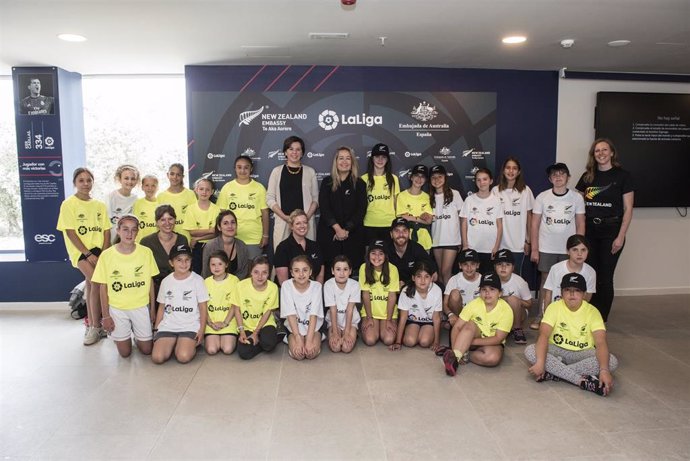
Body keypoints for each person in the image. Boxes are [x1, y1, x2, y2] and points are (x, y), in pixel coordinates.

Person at [525, 273, 618, 396]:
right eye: (567, 290)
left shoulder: (593, 312)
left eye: (577, 290)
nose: (572, 294)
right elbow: (543, 336)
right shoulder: (554, 307)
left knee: (611, 361)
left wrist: (604, 370)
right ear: (561, 293)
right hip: (556, 350)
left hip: (582, 352)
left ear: (584, 294)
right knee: (530, 350)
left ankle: (554, 373)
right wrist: (541, 362)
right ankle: (580, 380)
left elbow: (600, 342)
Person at [576, 138, 634, 322]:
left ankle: (601, 319)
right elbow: (578, 207)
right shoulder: (587, 177)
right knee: (590, 274)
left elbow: (628, 209)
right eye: (597, 151)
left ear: (611, 153)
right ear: (593, 155)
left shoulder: (622, 176)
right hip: (590, 231)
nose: (600, 153)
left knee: (605, 277)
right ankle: (588, 315)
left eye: (604, 150)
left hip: (612, 231)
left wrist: (621, 236)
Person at [56, 167, 110, 345]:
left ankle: (93, 325)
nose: (86, 184)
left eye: (89, 180)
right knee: (96, 283)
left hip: (98, 250)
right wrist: (86, 253)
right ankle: (95, 326)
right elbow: (70, 232)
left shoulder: (99, 205)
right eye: (81, 180)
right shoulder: (68, 204)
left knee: (91, 284)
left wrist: (103, 252)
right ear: (75, 183)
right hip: (80, 252)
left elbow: (106, 231)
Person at [92, 215, 158, 357]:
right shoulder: (106, 255)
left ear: (138, 232)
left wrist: (152, 309)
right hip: (117, 308)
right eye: (125, 229)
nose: (129, 234)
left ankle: (137, 334)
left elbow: (151, 283)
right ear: (118, 230)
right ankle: (122, 335)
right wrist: (106, 316)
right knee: (125, 353)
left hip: (140, 306)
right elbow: (103, 288)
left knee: (147, 350)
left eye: (133, 230)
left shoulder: (146, 252)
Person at [531, 162, 585, 327]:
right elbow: (534, 224)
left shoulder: (576, 198)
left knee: (569, 282)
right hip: (546, 247)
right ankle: (542, 316)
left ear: (568, 177)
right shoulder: (542, 197)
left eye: (562, 174)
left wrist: (578, 249)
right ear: (550, 178)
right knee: (546, 281)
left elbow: (581, 224)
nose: (558, 177)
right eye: (555, 175)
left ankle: (567, 317)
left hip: (568, 250)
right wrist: (534, 248)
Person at [442, 272, 513, 376]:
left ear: (500, 293)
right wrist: (454, 350)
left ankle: (465, 354)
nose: (487, 293)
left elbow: (498, 338)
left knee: (493, 358)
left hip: (491, 343)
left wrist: (470, 342)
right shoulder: (474, 304)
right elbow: (457, 327)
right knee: (469, 325)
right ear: (479, 292)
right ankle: (454, 358)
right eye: (484, 290)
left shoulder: (506, 310)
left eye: (492, 289)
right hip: (474, 335)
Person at [152, 244, 209, 364]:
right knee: (157, 358)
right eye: (179, 260)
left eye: (187, 260)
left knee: (183, 357)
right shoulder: (166, 281)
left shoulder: (198, 280)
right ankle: (173, 343)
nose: (184, 264)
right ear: (171, 263)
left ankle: (184, 344)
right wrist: (156, 329)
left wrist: (201, 331)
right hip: (169, 326)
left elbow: (203, 308)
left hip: (190, 326)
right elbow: (162, 307)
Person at [317, 146, 367, 273]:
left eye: (348, 158)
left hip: (353, 236)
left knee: (352, 272)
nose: (344, 162)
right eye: (341, 158)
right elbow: (324, 207)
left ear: (352, 162)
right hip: (330, 235)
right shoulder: (327, 182)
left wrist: (346, 230)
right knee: (330, 271)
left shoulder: (360, 184)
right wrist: (338, 229)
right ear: (336, 161)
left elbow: (361, 210)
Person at [531, 234, 597, 329]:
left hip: (576, 311)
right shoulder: (556, 269)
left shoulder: (590, 272)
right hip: (556, 311)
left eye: (583, 250)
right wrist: (547, 315)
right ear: (568, 251)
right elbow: (548, 293)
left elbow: (587, 297)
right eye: (575, 250)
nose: (579, 254)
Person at [266, 136, 319, 249]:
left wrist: (305, 218)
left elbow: (315, 199)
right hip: (283, 221)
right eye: (291, 149)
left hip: (305, 224)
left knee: (307, 257)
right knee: (282, 258)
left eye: (298, 149)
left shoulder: (310, 172)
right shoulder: (276, 172)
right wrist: (285, 217)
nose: (294, 152)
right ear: (285, 152)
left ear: (302, 152)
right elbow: (270, 198)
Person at [216, 155, 269, 260]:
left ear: (251, 169)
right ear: (235, 169)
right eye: (239, 167)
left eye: (246, 167)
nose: (242, 170)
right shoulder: (227, 187)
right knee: (233, 270)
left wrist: (265, 235)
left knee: (253, 271)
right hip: (231, 237)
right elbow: (221, 214)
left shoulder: (259, 188)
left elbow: (265, 213)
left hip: (254, 237)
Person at [492, 157, 534, 275]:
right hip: (499, 244)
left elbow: (529, 217)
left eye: (514, 168)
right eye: (508, 168)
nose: (511, 171)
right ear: (503, 170)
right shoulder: (495, 191)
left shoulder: (526, 191)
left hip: (518, 244)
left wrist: (528, 241)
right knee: (499, 278)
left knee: (515, 278)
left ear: (519, 172)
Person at [234, 256, 280, 360]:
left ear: (269, 273)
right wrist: (241, 332)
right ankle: (259, 341)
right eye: (256, 272)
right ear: (250, 272)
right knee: (244, 353)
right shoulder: (240, 286)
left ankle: (274, 335)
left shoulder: (273, 287)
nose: (260, 276)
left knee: (269, 345)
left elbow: (267, 312)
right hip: (246, 325)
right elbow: (236, 309)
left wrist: (255, 333)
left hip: (265, 323)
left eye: (264, 272)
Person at [390, 261, 442, 352]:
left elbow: (436, 318)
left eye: (426, 276)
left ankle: (427, 333)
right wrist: (398, 342)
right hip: (412, 321)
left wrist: (436, 341)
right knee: (409, 341)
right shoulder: (406, 291)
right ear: (413, 278)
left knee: (424, 342)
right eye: (419, 276)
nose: (422, 280)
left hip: (429, 322)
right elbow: (403, 317)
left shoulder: (437, 290)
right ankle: (411, 333)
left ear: (431, 278)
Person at [280, 256, 324, 360]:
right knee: (298, 355)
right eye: (296, 270)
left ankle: (316, 338)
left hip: (313, 328)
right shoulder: (286, 286)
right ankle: (291, 338)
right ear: (291, 273)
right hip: (294, 327)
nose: (301, 274)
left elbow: (313, 314)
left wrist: (308, 340)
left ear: (310, 272)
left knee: (310, 354)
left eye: (305, 270)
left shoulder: (316, 286)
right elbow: (290, 314)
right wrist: (298, 338)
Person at [460, 168, 503, 274]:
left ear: (491, 181)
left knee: (487, 279)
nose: (482, 182)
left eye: (485, 179)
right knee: (472, 279)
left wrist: (496, 247)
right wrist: (465, 245)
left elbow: (500, 226)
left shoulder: (497, 201)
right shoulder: (469, 200)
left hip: (490, 249)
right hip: (472, 248)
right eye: (478, 180)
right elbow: (464, 223)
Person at [140, 204, 189, 297]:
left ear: (175, 220)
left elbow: (187, 266)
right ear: (157, 223)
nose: (167, 223)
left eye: (170, 219)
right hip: (155, 291)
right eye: (162, 220)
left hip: (179, 290)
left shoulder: (182, 239)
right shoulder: (146, 242)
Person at [359, 240, 400, 346]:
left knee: (389, 340)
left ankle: (384, 324)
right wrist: (369, 317)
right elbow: (365, 294)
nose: (377, 257)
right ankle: (372, 324)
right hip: (371, 312)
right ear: (368, 255)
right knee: (370, 340)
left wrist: (389, 319)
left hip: (387, 313)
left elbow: (392, 296)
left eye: (381, 253)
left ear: (386, 256)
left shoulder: (393, 269)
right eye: (373, 253)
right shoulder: (364, 267)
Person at [429, 164, 463, 285]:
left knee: (445, 272)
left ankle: (449, 302)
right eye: (433, 177)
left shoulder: (455, 194)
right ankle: (444, 301)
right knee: (440, 273)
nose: (437, 180)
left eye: (440, 176)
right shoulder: (429, 197)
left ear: (445, 178)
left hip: (451, 240)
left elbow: (462, 218)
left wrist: (462, 240)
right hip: (436, 240)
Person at [361, 143, 400, 244]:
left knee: (388, 255)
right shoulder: (364, 179)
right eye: (377, 157)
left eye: (383, 157)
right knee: (370, 255)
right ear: (372, 158)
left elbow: (396, 203)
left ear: (387, 160)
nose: (380, 160)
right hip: (369, 223)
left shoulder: (393, 179)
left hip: (389, 224)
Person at [203, 250, 240, 356]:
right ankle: (213, 337)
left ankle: (230, 336)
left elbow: (234, 305)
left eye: (220, 264)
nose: (216, 267)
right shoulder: (206, 282)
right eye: (213, 264)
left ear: (226, 264)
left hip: (228, 321)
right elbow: (203, 306)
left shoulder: (234, 280)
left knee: (227, 349)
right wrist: (209, 323)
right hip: (211, 323)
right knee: (212, 350)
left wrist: (225, 323)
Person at [274, 209, 324, 285]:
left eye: (305, 222)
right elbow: (283, 282)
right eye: (298, 223)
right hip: (290, 293)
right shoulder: (282, 248)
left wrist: (316, 291)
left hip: (313, 292)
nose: (302, 226)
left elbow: (320, 275)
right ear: (291, 226)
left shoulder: (315, 246)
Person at [493, 249, 532, 345]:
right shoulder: (490, 279)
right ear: (495, 267)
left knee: (513, 299)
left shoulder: (520, 282)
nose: (503, 267)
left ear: (513, 267)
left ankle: (517, 329)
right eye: (500, 264)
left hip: (517, 313)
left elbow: (529, 304)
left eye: (507, 265)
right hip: (497, 311)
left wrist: (512, 300)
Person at [387, 217, 437, 288]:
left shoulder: (417, 248)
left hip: (413, 288)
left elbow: (434, 276)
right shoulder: (385, 250)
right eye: (397, 231)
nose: (401, 234)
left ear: (409, 233)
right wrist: (394, 283)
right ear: (391, 234)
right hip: (390, 288)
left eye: (404, 231)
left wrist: (408, 284)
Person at [183, 177, 220, 274]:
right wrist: (209, 230)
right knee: (197, 272)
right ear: (196, 190)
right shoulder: (190, 209)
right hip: (196, 247)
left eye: (207, 189)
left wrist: (197, 238)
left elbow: (215, 233)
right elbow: (192, 232)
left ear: (212, 192)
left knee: (211, 272)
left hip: (212, 244)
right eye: (201, 189)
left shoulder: (216, 209)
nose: (204, 192)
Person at [324, 256, 361, 353]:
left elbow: (350, 309)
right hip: (334, 321)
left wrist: (347, 332)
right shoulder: (328, 285)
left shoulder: (355, 285)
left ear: (350, 271)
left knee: (346, 348)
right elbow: (333, 309)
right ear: (332, 271)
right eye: (338, 269)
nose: (342, 273)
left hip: (350, 321)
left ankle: (352, 333)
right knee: (335, 348)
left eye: (345, 269)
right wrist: (335, 332)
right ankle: (336, 332)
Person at [201, 210, 250, 280]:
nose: (230, 226)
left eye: (233, 222)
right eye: (225, 223)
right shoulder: (210, 246)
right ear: (219, 227)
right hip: (214, 286)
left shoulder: (242, 246)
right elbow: (206, 273)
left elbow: (243, 272)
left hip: (236, 286)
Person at [396, 164, 433, 251]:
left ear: (425, 180)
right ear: (411, 177)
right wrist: (420, 218)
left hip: (424, 239)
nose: (419, 179)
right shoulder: (402, 196)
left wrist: (412, 217)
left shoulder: (427, 197)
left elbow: (429, 220)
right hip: (406, 238)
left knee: (424, 264)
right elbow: (403, 217)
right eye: (416, 175)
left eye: (422, 176)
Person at [157, 163, 197, 242]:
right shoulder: (161, 196)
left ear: (183, 177)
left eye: (178, 175)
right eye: (172, 174)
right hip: (166, 240)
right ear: (168, 175)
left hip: (186, 239)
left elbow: (196, 217)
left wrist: (194, 238)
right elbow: (158, 221)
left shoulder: (190, 194)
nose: (175, 177)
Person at [442, 248, 481, 327]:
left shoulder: (483, 280)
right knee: (454, 293)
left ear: (477, 265)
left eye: (472, 264)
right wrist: (450, 314)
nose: (469, 268)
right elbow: (444, 303)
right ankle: (456, 323)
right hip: (459, 314)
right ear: (460, 265)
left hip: (476, 315)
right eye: (465, 264)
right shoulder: (454, 279)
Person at [106, 164, 139, 245]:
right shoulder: (111, 197)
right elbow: (107, 224)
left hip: (128, 241)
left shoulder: (136, 199)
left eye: (133, 179)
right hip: (111, 241)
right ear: (120, 179)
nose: (130, 181)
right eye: (126, 178)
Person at [132, 174, 159, 242]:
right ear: (142, 187)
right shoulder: (137, 203)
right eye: (147, 185)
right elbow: (134, 224)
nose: (150, 188)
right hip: (140, 242)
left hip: (157, 242)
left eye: (153, 185)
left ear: (157, 188)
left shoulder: (161, 204)